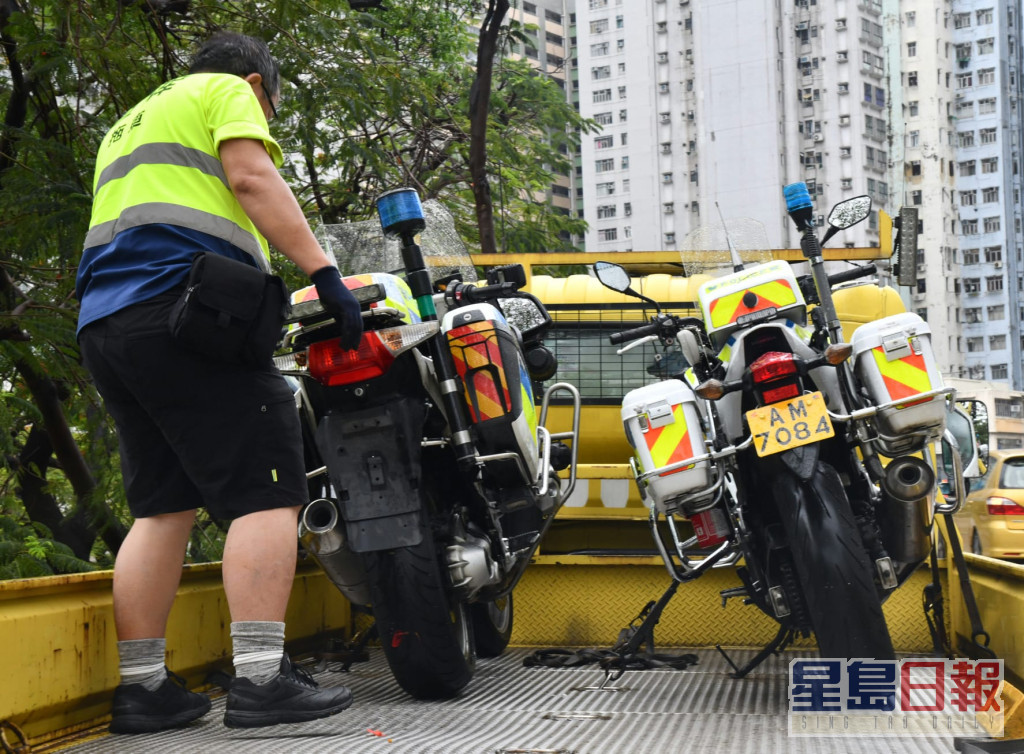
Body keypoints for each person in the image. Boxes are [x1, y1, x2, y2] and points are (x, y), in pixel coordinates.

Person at [75, 31, 362, 733]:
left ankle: (144, 689)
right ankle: (263, 679)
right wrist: (325, 276)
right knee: (267, 488)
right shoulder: (225, 90)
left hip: (106, 326)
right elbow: (250, 178)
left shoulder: (129, 122)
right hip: (185, 314)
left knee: (162, 506)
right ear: (256, 84)